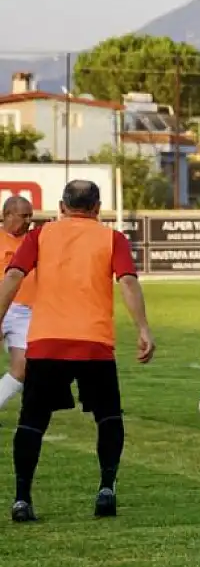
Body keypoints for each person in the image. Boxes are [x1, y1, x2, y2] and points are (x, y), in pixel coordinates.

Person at [1, 181, 153, 522]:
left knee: (32, 422)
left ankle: (22, 498)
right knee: (108, 417)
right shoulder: (112, 238)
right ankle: (106, 489)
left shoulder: (39, 236)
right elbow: (128, 282)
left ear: (61, 206)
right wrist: (143, 328)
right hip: (93, 343)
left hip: (45, 341)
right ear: (98, 208)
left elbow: (12, 276)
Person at [0, 196, 37, 414]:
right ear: (7, 215)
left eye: (30, 216)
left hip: (26, 312)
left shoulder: (35, 241)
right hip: (3, 307)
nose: (28, 221)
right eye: (23, 216)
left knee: (22, 368)